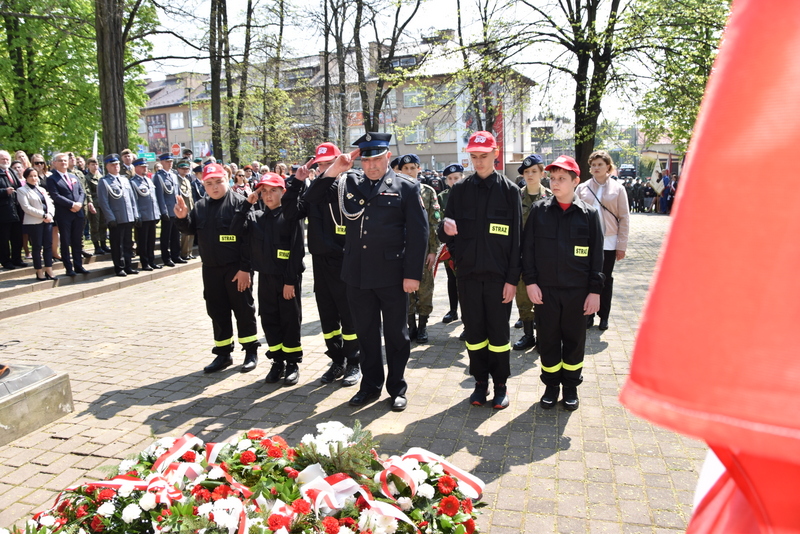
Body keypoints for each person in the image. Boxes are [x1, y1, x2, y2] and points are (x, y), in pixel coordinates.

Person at [304, 132, 428, 411]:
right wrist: (334, 169)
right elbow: (312, 198)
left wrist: (413, 275)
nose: (371, 166)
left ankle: (396, 388)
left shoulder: (406, 187)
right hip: (357, 275)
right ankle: (370, 386)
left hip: (393, 275)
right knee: (366, 333)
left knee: (397, 335)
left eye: (377, 159)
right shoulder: (348, 182)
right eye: (366, 160)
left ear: (388, 158)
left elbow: (419, 235)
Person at [437, 131, 522, 410]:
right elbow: (445, 231)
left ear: (495, 154)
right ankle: (480, 383)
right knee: (474, 334)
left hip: (499, 278)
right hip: (468, 275)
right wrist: (445, 229)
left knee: (498, 336)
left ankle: (500, 385)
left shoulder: (509, 191)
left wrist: (512, 279)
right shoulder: (460, 190)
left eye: (483, 157)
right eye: (474, 157)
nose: (479, 162)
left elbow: (517, 240)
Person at [522, 155, 604, 411]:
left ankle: (570, 387)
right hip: (545, 292)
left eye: (561, 179)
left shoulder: (589, 214)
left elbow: (597, 257)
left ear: (575, 181)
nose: (555, 183)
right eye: (553, 178)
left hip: (577, 293)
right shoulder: (539, 211)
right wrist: (531, 283)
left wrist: (594, 292)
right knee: (547, 339)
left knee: (574, 340)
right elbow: (529, 250)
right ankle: (550, 386)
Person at [284, 142, 362, 387]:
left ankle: (354, 362)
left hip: (346, 262)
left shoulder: (351, 184)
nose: (325, 168)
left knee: (349, 316)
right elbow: (290, 213)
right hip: (321, 263)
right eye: (320, 165)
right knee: (328, 318)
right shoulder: (313, 191)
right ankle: (336, 360)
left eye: (330, 163)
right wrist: (296, 181)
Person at [174, 163, 260, 373]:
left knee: (243, 309)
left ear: (227, 180)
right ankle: (223, 354)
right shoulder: (201, 206)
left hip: (236, 269)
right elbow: (190, 230)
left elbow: (249, 241)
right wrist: (182, 217)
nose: (214, 187)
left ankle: (250, 351)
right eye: (209, 183)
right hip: (211, 270)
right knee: (217, 311)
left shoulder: (241, 203)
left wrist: (245, 269)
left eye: (218, 182)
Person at [240, 173, 305, 383]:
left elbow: (296, 252)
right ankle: (277, 361)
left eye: (273, 190)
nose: (268, 195)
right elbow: (235, 231)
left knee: (290, 321)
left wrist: (289, 281)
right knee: (269, 320)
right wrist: (246, 205)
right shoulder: (257, 217)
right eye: (264, 191)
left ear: (283, 192)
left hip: (287, 279)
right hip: (265, 278)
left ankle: (292, 363)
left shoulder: (290, 216)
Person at [576, 150, 630, 331]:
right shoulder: (582, 188)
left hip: (609, 241)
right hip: (586, 241)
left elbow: (624, 218)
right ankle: (588, 314)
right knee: (586, 278)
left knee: (604, 279)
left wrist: (621, 246)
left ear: (608, 166)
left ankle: (603, 315)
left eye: (600, 164)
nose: (596, 167)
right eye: (593, 165)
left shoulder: (618, 188)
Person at [399, 154, 440, 344]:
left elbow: (434, 223)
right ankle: (411, 326)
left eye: (412, 168)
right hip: (402, 251)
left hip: (424, 251)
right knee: (405, 290)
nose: (409, 172)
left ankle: (423, 325)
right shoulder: (394, 190)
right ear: (400, 170)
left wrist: (433, 251)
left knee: (425, 289)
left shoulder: (428, 192)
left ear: (419, 169)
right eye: (405, 168)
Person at [513, 154, 552, 351]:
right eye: (526, 172)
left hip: (544, 258)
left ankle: (543, 337)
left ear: (542, 173)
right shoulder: (515, 196)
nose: (530, 175)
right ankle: (528, 334)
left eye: (534, 171)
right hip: (521, 256)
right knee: (522, 296)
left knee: (543, 297)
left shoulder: (551, 198)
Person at [46, 153, 91, 276]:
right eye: (60, 160)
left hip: (78, 213)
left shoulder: (73, 176)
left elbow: (82, 192)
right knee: (65, 241)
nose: (63, 163)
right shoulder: (52, 178)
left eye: (65, 160)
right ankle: (68, 268)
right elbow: (55, 196)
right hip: (64, 214)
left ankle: (78, 265)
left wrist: (79, 204)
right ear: (54, 163)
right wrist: (72, 205)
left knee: (77, 241)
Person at [97, 154, 139, 277]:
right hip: (116, 218)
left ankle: (128, 265)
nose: (116, 167)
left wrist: (135, 214)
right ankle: (119, 267)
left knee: (128, 243)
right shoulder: (104, 182)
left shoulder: (125, 180)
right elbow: (103, 202)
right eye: (112, 165)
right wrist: (110, 217)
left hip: (128, 216)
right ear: (107, 166)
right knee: (117, 244)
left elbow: (132, 199)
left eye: (117, 164)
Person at [16, 167, 57, 280]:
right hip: (34, 222)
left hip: (48, 220)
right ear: (26, 178)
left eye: (35, 176)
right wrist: (43, 215)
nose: (34, 178)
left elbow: (50, 203)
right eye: (31, 176)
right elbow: (26, 208)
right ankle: (39, 271)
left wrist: (50, 214)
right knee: (37, 246)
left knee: (48, 246)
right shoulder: (22, 190)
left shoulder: (41, 189)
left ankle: (49, 269)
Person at [437, 164, 464, 324]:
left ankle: (466, 315)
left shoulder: (468, 194)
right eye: (450, 179)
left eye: (456, 178)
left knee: (464, 281)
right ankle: (453, 310)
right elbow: (440, 220)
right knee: (451, 279)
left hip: (465, 245)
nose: (453, 181)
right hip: (449, 246)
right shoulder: (442, 197)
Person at [129, 158, 162, 271]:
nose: (145, 168)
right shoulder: (133, 182)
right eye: (142, 166)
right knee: (143, 241)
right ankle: (145, 262)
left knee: (151, 240)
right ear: (136, 168)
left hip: (152, 215)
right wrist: (137, 215)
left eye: (146, 166)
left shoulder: (148, 180)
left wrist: (157, 213)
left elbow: (154, 199)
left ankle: (151, 261)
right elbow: (134, 200)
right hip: (143, 216)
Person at [153, 153, 184, 267]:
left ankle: (176, 255)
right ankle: (166, 258)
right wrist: (163, 211)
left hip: (175, 209)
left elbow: (177, 192)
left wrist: (180, 206)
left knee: (176, 235)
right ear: (161, 162)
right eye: (167, 161)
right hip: (167, 210)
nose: (170, 163)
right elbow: (159, 196)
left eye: (171, 161)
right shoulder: (158, 176)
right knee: (166, 236)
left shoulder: (173, 175)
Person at [0, 151, 24, 269]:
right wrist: (4, 192)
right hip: (3, 211)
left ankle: (17, 258)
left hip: (16, 209)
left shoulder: (11, 172)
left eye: (7, 159)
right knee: (4, 238)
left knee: (17, 236)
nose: (5, 161)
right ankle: (6, 260)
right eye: (2, 159)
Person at [84, 157, 109, 255]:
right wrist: (90, 203)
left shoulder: (101, 177)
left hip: (103, 203)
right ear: (88, 166)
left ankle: (103, 244)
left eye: (96, 164)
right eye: (92, 164)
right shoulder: (87, 178)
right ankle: (97, 246)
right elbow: (88, 192)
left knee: (103, 224)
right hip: (94, 203)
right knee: (95, 225)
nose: (95, 166)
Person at [175, 160, 196, 261]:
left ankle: (189, 251)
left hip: (190, 207)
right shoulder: (176, 180)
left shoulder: (187, 180)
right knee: (185, 232)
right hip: (183, 208)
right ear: (178, 169)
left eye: (187, 169)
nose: (185, 170)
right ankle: (184, 252)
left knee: (191, 230)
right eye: (183, 168)